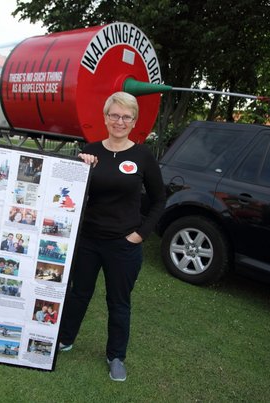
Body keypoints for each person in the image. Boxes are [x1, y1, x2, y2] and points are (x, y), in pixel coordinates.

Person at [58, 91, 166, 382]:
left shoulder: (143, 156)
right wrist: (82, 167)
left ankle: (116, 356)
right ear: (105, 118)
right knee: (79, 293)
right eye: (114, 115)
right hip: (89, 241)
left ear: (134, 122)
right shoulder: (89, 151)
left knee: (119, 302)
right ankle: (64, 339)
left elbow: (159, 199)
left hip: (124, 245)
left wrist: (141, 234)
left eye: (126, 117)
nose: (119, 121)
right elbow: (68, 193)